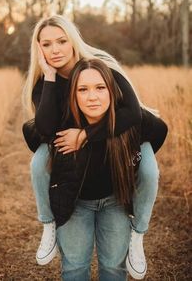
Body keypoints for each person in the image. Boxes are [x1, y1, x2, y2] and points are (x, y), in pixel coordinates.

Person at [22, 15, 168, 279]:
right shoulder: (46, 84)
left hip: (130, 128)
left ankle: (139, 233)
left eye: (61, 41)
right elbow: (45, 130)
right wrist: (51, 75)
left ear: (73, 41)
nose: (55, 49)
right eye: (46, 44)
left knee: (148, 171)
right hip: (78, 174)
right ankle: (49, 224)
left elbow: (133, 112)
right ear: (39, 49)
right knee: (39, 162)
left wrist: (86, 135)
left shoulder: (102, 67)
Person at [46, 58, 166, 280]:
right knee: (74, 267)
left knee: (113, 267)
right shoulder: (63, 122)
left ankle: (137, 236)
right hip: (75, 204)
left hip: (115, 203)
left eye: (101, 87)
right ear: (73, 94)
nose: (92, 97)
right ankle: (47, 227)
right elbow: (30, 130)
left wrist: (138, 156)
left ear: (112, 90)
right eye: (83, 89)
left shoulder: (131, 120)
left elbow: (160, 131)